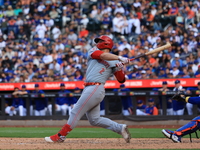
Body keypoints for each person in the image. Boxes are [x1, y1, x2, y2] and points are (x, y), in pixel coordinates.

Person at [45, 35, 131, 143]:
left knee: (75, 112)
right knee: (95, 120)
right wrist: (119, 58)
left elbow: (121, 80)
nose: (97, 43)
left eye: (100, 41)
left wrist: (120, 68)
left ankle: (60, 136)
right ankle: (119, 128)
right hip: (90, 88)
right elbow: (103, 56)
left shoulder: (114, 61)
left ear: (106, 43)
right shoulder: (94, 51)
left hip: (96, 87)